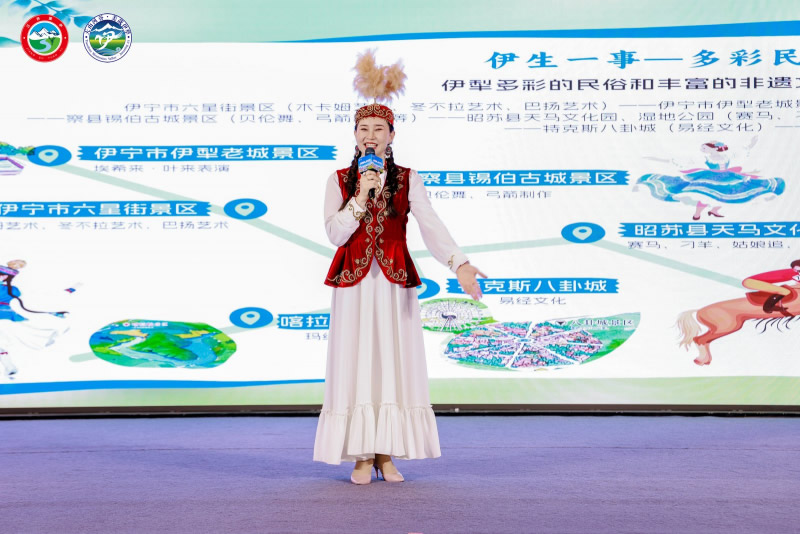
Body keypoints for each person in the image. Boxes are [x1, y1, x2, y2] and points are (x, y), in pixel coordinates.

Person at [312, 103, 485, 484]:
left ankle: (385, 453)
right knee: (356, 360)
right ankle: (361, 455)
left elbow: (430, 224)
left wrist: (458, 262)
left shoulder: (408, 179)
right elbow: (336, 234)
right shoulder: (338, 180)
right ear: (354, 135)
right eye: (363, 129)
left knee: (392, 361)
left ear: (392, 135)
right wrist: (360, 196)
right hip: (354, 284)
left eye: (379, 128)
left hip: (393, 283)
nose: (370, 135)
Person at [0, 260, 69, 379]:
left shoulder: (13, 290)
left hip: (7, 317)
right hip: (8, 317)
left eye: (2, 275)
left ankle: (9, 366)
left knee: (14, 338)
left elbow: (26, 304)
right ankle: (9, 366)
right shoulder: (13, 289)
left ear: (6, 277)